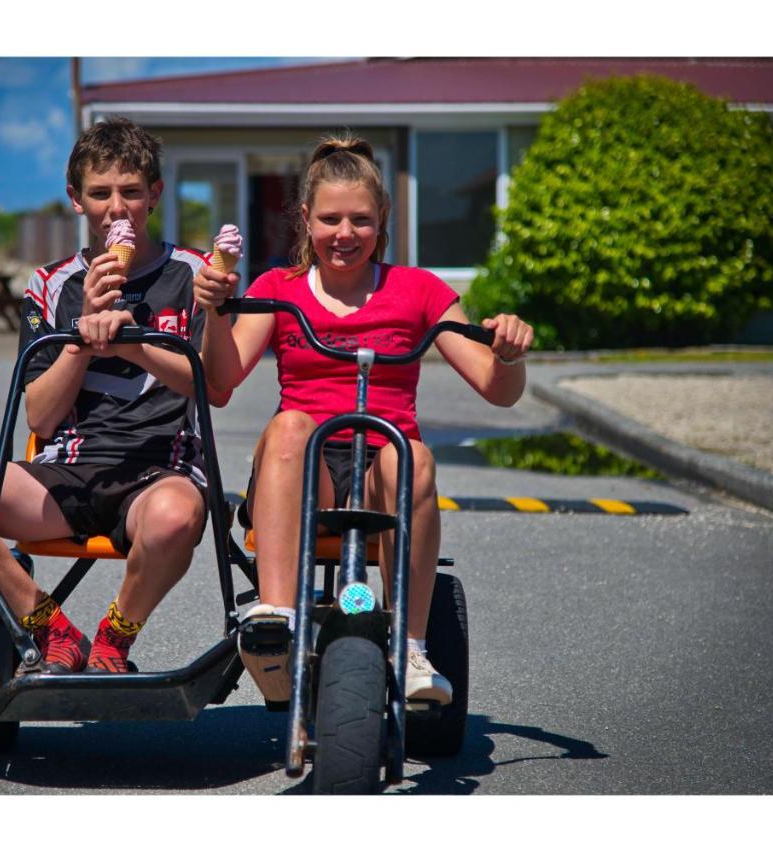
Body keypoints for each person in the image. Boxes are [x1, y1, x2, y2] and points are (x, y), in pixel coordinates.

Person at [194, 135, 532, 704]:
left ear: (383, 221)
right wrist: (214, 314)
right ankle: (277, 617)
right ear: (305, 219)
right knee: (291, 425)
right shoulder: (277, 289)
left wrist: (509, 355)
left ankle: (410, 645)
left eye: (360, 220)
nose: (344, 234)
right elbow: (220, 382)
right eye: (329, 219)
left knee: (412, 453)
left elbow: (497, 392)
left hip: (386, 469)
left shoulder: (419, 290)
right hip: (305, 469)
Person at [0, 117, 228, 675]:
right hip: (65, 470)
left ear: (155, 194)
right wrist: (82, 335)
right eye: (100, 194)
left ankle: (114, 637)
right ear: (76, 200)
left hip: (160, 471)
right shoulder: (50, 284)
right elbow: (41, 416)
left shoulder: (194, 273)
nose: (116, 209)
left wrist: (133, 346)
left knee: (175, 520)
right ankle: (47, 622)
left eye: (130, 192)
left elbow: (214, 388)